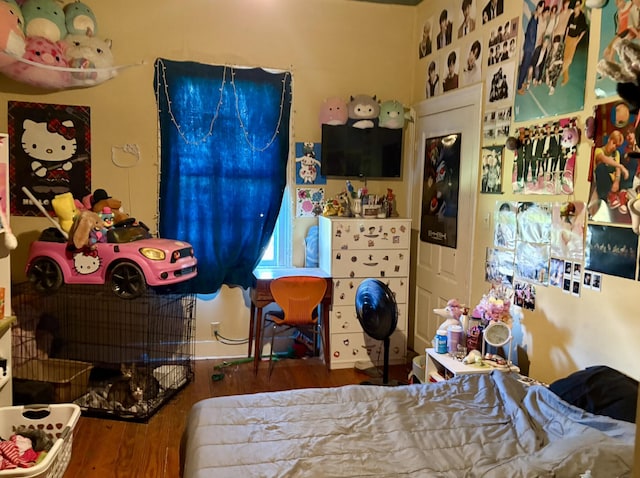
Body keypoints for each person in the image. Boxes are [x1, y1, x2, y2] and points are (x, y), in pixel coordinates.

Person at [592, 130, 629, 211]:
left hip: (614, 184)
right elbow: (604, 159)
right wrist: (621, 166)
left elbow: (618, 169)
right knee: (601, 167)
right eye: (613, 143)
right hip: (604, 186)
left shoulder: (616, 153)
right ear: (609, 139)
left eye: (617, 145)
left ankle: (622, 197)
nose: (614, 147)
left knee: (627, 168)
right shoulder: (599, 150)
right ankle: (610, 197)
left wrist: (617, 181)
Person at [517, 1, 545, 94]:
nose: (542, 10)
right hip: (529, 47)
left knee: (526, 65)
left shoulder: (536, 18)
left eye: (543, 8)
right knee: (525, 66)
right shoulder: (534, 18)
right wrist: (535, 43)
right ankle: (519, 87)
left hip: (530, 47)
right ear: (538, 7)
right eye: (541, 7)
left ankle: (522, 83)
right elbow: (531, 34)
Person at [561, 0, 588, 86]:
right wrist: (565, 37)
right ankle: (566, 78)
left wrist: (577, 41)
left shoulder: (582, 17)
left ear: (580, 6)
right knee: (565, 57)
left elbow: (584, 30)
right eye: (575, 6)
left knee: (569, 59)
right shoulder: (572, 15)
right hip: (568, 38)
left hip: (574, 39)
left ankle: (560, 72)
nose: (576, 7)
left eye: (578, 6)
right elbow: (568, 27)